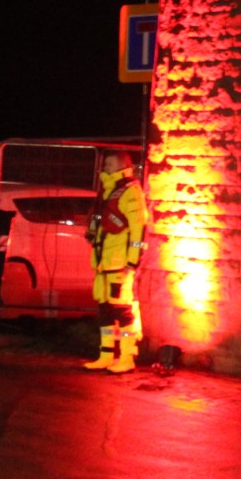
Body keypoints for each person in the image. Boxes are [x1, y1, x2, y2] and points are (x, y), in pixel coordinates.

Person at [84, 150, 149, 374]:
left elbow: (138, 229)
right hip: (104, 262)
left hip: (119, 263)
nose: (105, 168)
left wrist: (132, 262)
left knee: (123, 311)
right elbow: (99, 218)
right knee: (105, 311)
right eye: (105, 164)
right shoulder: (107, 190)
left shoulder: (131, 192)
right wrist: (92, 232)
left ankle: (127, 357)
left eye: (109, 164)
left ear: (122, 166)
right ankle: (105, 355)